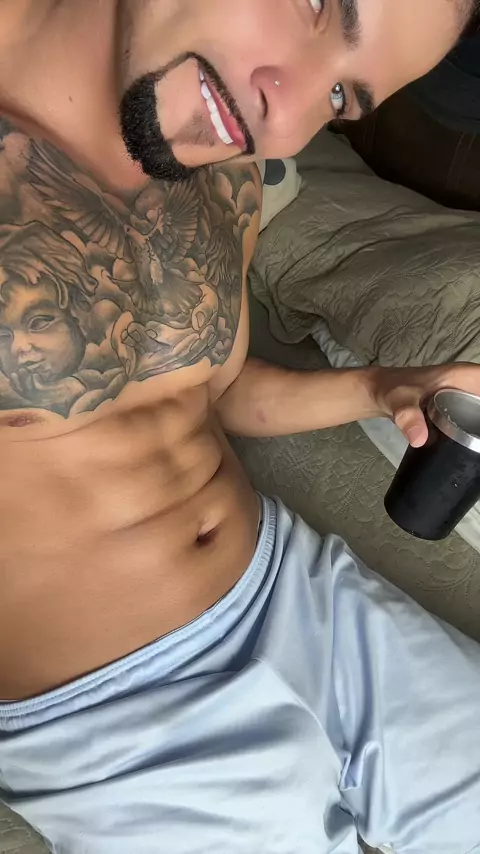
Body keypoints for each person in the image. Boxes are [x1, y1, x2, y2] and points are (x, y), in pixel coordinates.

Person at [1, 1, 480, 852]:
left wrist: (383, 387)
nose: (286, 123)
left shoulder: (225, 164)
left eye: (341, 96)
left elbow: (214, 390)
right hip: (113, 719)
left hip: (293, 589)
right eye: (317, 2)